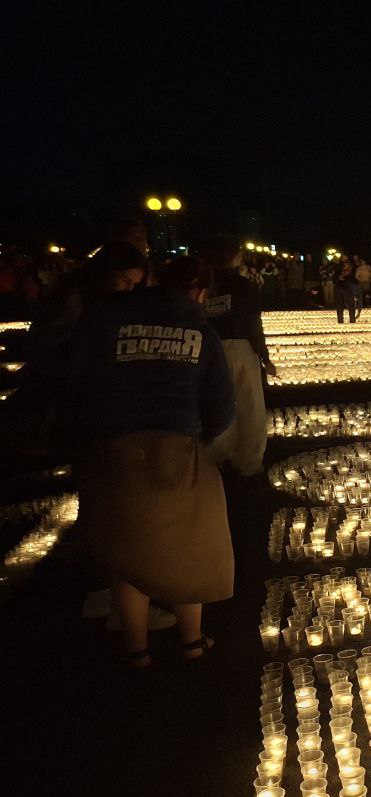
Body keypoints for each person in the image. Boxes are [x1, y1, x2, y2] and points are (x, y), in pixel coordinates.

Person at [68, 256, 236, 667]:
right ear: (200, 293)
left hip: (113, 450)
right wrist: (197, 438)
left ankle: (137, 650)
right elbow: (222, 405)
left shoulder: (108, 320)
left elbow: (76, 377)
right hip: (175, 449)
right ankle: (192, 642)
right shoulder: (200, 331)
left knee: (125, 550)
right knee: (189, 546)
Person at [202, 235, 273, 477]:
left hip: (208, 348)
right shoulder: (243, 286)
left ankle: (217, 458)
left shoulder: (204, 283)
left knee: (217, 401)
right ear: (235, 257)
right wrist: (264, 357)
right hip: (240, 347)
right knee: (249, 402)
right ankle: (249, 461)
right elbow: (253, 324)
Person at [335, 256, 361, 323]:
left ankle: (351, 319)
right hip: (340, 286)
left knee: (350, 304)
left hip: (347, 286)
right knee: (340, 304)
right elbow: (335, 275)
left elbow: (353, 275)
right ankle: (341, 320)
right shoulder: (338, 266)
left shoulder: (351, 266)